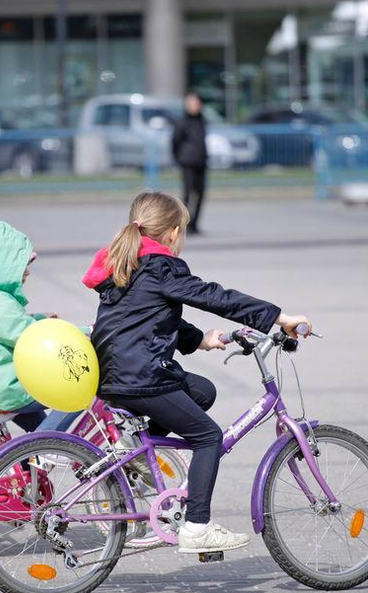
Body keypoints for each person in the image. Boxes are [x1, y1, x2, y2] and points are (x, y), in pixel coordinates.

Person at [82, 191, 311, 553]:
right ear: (172, 234)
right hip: (142, 378)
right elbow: (215, 297)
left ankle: (134, 446)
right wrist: (279, 317)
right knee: (208, 438)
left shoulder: (126, 265)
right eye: (183, 231)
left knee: (203, 391)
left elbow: (145, 317)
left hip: (113, 376)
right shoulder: (161, 266)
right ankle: (197, 527)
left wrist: (200, 339)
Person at [0, 220, 80, 433]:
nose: (27, 273)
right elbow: (31, 337)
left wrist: (41, 318)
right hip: (10, 390)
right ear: (3, 267)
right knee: (78, 394)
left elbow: (11, 327)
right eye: (21, 267)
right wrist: (81, 333)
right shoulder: (0, 304)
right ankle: (45, 448)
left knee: (33, 437)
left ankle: (32, 458)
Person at [172, 91, 208, 234]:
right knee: (187, 194)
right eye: (191, 103)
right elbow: (175, 142)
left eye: (196, 103)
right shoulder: (182, 122)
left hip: (201, 162)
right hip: (187, 162)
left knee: (200, 194)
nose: (194, 106)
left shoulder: (202, 121)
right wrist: (179, 158)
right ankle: (183, 224)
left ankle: (195, 224)